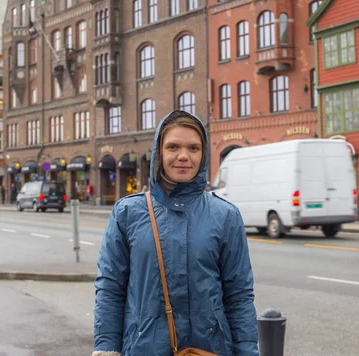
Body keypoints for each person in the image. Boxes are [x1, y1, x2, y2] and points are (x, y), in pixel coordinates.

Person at [93, 111, 258, 356]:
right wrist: (106, 349)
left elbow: (239, 297)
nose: (183, 156)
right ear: (159, 152)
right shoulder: (127, 213)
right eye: (173, 147)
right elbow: (111, 289)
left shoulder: (225, 216)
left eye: (193, 148)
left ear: (202, 155)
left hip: (209, 349)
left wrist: (247, 352)